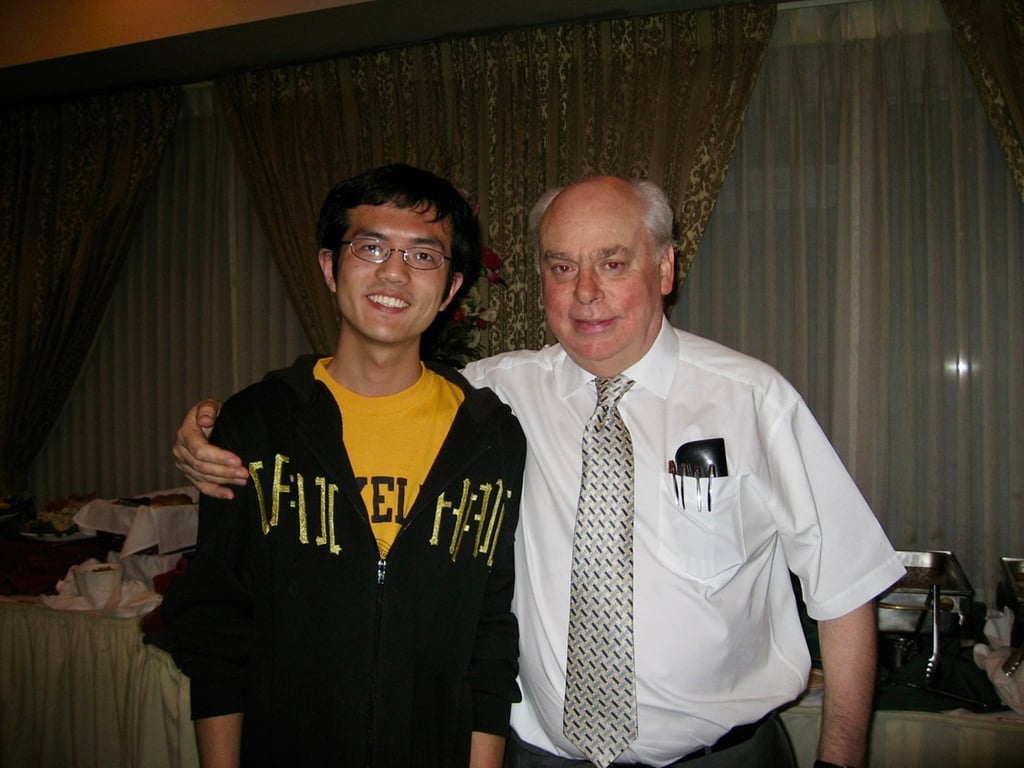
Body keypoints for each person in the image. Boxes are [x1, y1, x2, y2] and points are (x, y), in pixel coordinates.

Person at [174, 175, 905, 768]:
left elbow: (844, 587)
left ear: (665, 267)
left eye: (612, 263)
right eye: (561, 266)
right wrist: (215, 428)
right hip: (541, 759)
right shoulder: (495, 399)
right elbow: (370, 382)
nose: (585, 292)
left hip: (723, 760)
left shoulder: (753, 401)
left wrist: (840, 762)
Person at [161, 164, 526, 768]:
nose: (394, 273)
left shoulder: (490, 438)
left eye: (423, 256)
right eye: (371, 247)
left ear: (451, 289)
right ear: (330, 267)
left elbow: (488, 633)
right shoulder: (256, 427)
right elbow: (218, 628)